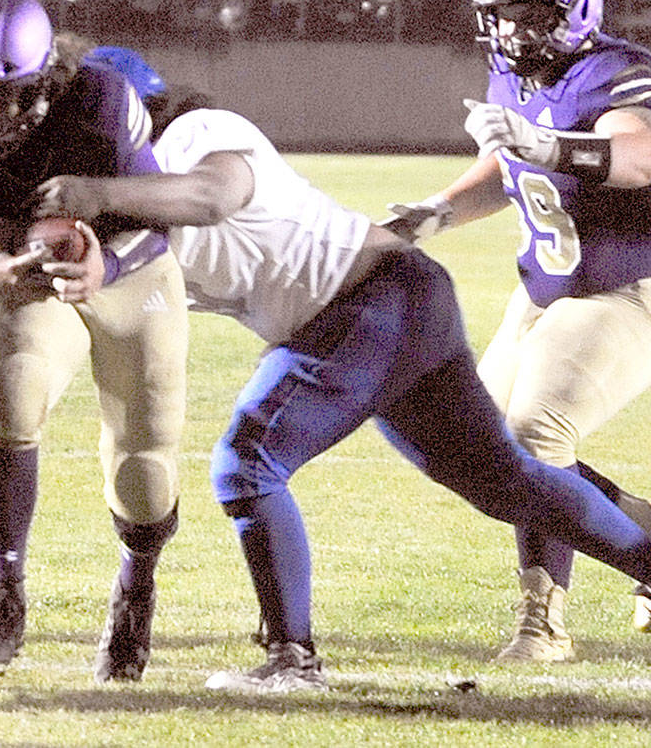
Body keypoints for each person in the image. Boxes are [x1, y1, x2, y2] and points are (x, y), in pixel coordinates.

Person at [34, 50, 651, 694]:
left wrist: (100, 193)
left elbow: (210, 197)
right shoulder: (124, 210)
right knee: (504, 480)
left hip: (368, 302)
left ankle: (290, 659)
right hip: (387, 304)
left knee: (248, 464)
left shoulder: (197, 134)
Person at [0, 0, 188, 683]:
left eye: (2, 96)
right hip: (38, 275)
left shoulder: (97, 104)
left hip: (131, 272)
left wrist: (107, 261)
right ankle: (4, 590)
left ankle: (136, 585)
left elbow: (164, 222)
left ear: (45, 80)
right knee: (13, 395)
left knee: (143, 470)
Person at [384, 0, 651, 663]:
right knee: (477, 450)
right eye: (503, 15)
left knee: (536, 434)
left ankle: (543, 620)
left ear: (577, 7)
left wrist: (546, 145)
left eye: (533, 14)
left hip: (625, 286)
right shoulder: (518, 80)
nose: (515, 31)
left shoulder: (619, 72)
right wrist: (428, 214)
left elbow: (638, 156)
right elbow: (504, 169)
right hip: (541, 292)